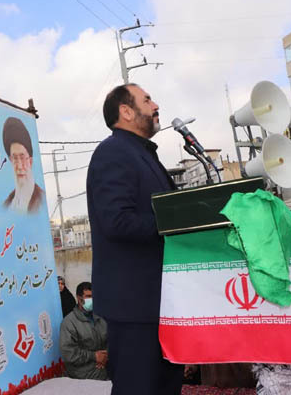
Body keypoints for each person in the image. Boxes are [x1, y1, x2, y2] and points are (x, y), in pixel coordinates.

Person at [86, 83, 182, 395]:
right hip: (135, 308)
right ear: (126, 112)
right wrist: (176, 223)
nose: (156, 106)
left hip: (160, 303)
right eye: (147, 100)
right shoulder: (113, 152)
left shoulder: (142, 154)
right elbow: (117, 221)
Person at [60, 281, 109, 381]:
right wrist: (94, 356)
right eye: (88, 296)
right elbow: (69, 353)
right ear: (79, 298)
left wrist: (105, 355)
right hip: (82, 374)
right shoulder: (69, 322)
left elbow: (111, 339)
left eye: (93, 296)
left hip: (105, 366)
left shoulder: (100, 318)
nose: (92, 299)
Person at [2, 117, 44, 213]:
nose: (20, 167)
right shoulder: (7, 204)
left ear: (30, 161)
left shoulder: (41, 200)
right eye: (15, 158)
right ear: (10, 160)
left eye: (22, 157)